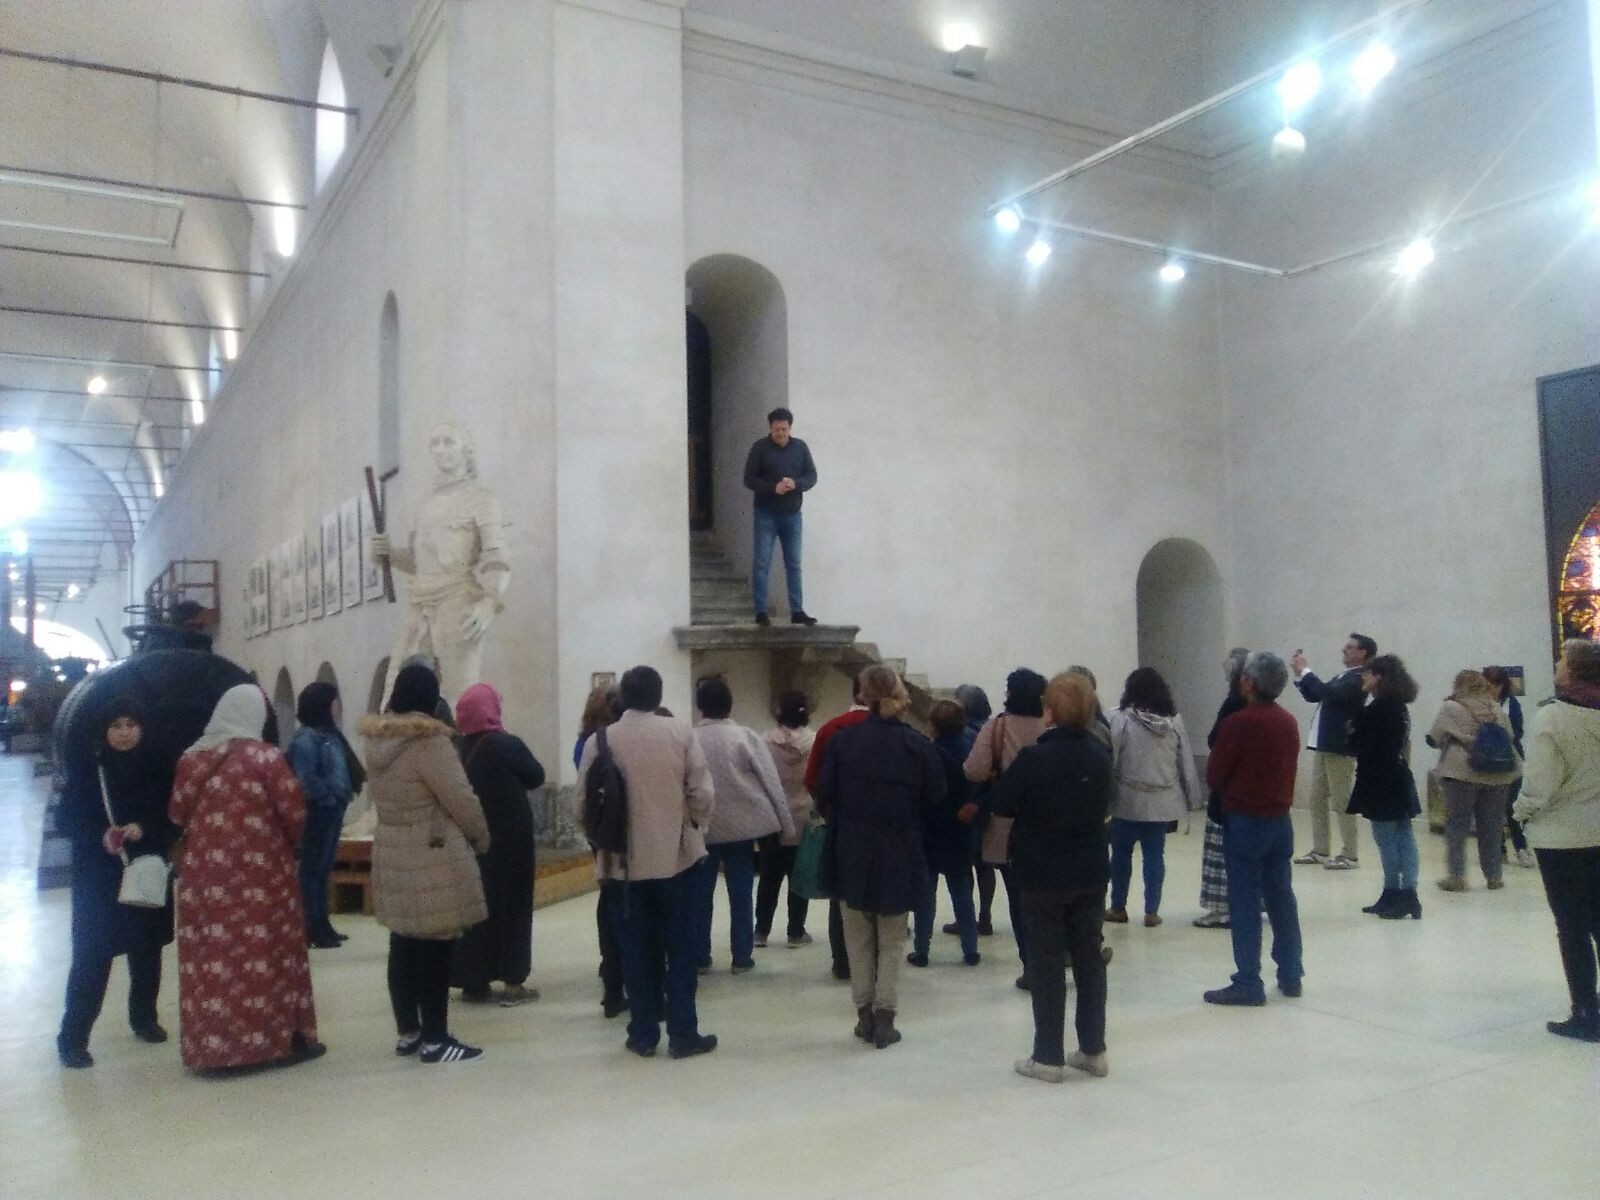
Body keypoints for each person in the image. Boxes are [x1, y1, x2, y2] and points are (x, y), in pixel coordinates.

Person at [169, 685, 323, 1072]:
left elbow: (176, 813)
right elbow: (294, 814)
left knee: (211, 960)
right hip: (263, 880)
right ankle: (270, 1043)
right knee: (267, 956)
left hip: (204, 879)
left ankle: (212, 1050)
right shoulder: (265, 758)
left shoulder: (191, 758)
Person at [579, 665, 719, 1059]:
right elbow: (702, 793)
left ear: (623, 697)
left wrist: (601, 841)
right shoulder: (680, 733)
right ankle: (683, 1032)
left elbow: (581, 806)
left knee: (636, 950)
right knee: (682, 948)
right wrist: (694, 826)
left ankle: (642, 1033)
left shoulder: (600, 740)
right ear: (659, 697)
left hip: (623, 864)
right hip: (677, 859)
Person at [362, 663, 491, 1064]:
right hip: (432, 853)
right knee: (435, 947)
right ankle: (437, 1040)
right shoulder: (429, 743)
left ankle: (409, 1032)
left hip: (393, 850)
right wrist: (480, 836)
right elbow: (461, 798)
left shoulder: (379, 741)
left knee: (402, 943)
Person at [990, 673, 1113, 1082]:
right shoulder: (1099, 754)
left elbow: (1003, 805)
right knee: (1089, 959)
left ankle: (1048, 1056)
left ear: (1050, 712)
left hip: (1042, 873)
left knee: (1046, 964)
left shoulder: (1034, 758)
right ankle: (1093, 1049)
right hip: (1091, 870)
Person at [816, 666, 944, 1048]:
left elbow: (824, 793)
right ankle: (886, 1017)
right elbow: (936, 794)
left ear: (862, 694)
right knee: (891, 939)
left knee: (856, 938)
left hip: (851, 848)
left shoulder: (843, 741)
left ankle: (863, 1014)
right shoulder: (916, 743)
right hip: (899, 848)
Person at [56, 695, 174, 1069]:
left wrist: (146, 828)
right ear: (103, 731)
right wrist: (101, 835)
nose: (124, 734)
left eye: (131, 725)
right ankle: (73, 1037)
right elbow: (66, 821)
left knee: (146, 948)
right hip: (99, 877)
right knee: (92, 955)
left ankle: (144, 1017)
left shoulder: (157, 766)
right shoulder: (90, 771)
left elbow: (173, 818)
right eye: (115, 726)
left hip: (144, 869)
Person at [370, 422, 511, 705]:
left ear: (465, 449)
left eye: (449, 442)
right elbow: (418, 561)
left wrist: (489, 601)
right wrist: (389, 554)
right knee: (396, 693)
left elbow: (497, 558)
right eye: (435, 443)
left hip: (457, 603)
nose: (440, 449)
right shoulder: (424, 504)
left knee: (459, 697)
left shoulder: (481, 499)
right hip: (420, 603)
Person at [1202, 652, 1305, 1006]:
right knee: (1281, 897)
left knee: (1244, 902)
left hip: (1245, 820)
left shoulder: (1239, 723)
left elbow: (1214, 776)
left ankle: (1248, 980)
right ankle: (1291, 974)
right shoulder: (1289, 721)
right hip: (1280, 820)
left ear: (1248, 683)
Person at [1514, 639, 1600, 1042]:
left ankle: (1585, 1011)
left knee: (1571, 925)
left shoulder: (1553, 717)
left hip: (1563, 836)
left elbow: (1540, 782)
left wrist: (1520, 814)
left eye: (1563, 659)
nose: (1557, 664)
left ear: (1574, 670)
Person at [451, 683, 546, 1006]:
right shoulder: (506, 744)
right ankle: (513, 981)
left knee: (476, 907)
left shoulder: (459, 748)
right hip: (511, 842)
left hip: (472, 840)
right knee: (514, 906)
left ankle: (473, 980)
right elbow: (536, 775)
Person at [691, 676, 794, 973]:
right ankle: (741, 957)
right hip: (742, 828)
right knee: (741, 892)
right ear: (729, 703)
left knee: (701, 894)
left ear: (700, 707)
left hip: (703, 826)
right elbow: (771, 782)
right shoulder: (745, 736)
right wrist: (784, 824)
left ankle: (700, 956)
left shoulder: (689, 738)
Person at [965, 668, 1050, 989]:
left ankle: (1031, 966)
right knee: (1053, 894)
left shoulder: (997, 726)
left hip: (1007, 822)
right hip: (1050, 819)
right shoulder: (1050, 724)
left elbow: (973, 770)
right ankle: (1059, 956)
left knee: (1018, 897)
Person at [1106, 667, 1201, 928]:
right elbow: (1186, 762)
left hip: (1126, 801)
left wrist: (1104, 795)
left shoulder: (1119, 719)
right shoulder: (1174, 722)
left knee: (1121, 856)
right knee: (1155, 856)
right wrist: (1193, 798)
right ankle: (1152, 911)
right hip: (1162, 802)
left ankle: (1118, 907)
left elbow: (1111, 759)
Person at [1427, 670, 1521, 892]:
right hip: (1498, 774)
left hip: (1461, 773)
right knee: (1492, 827)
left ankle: (1457, 877)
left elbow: (1434, 737)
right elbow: (1510, 736)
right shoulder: (1496, 708)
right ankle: (1494, 876)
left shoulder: (1451, 707)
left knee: (1457, 826)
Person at [1290, 634, 1376, 869]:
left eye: (1350, 647)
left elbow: (1328, 693)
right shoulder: (1345, 675)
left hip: (1340, 747)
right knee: (1316, 798)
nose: (1344, 650)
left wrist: (1306, 670)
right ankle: (1320, 850)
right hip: (1324, 745)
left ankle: (1350, 854)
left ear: (1363, 653)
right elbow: (1315, 694)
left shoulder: (1359, 677)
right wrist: (1300, 676)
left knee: (1342, 800)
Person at [287, 682, 362, 950]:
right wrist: (329, 796)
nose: (337, 707)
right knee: (312, 869)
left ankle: (322, 922)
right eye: (334, 702)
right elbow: (305, 778)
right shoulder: (307, 738)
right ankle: (310, 924)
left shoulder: (329, 734)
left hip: (332, 810)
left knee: (323, 868)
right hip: (318, 811)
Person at [805, 673, 870, 981]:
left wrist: (828, 809)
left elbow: (813, 780)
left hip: (842, 822)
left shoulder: (832, 728)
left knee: (841, 893)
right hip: (889, 829)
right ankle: (875, 962)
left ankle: (843, 962)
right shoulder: (902, 732)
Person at [1348, 655, 1423, 919]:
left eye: (1367, 674)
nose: (1363, 678)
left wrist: (1355, 722)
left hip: (1381, 780)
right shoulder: (1397, 706)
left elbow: (1359, 742)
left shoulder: (1381, 708)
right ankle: (1403, 892)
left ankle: (1399, 892)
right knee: (1403, 835)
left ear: (1379, 676)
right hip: (1396, 775)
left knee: (1387, 839)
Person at [910, 699, 981, 967]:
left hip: (930, 830)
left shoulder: (928, 752)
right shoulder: (971, 750)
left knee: (925, 896)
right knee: (962, 893)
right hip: (961, 830)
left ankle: (922, 950)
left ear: (933, 725)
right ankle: (970, 948)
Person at [576, 685, 631, 1018]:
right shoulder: (614, 741)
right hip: (627, 833)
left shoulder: (587, 741)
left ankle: (611, 979)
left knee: (608, 899)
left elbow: (581, 799)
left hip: (603, 830)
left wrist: (593, 833)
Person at [743, 406, 819, 626]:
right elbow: (748, 479)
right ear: (770, 428)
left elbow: (812, 475)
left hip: (792, 514)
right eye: (777, 430)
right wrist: (771, 488)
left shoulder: (800, 448)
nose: (780, 434)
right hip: (766, 513)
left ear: (790, 428)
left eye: (784, 430)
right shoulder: (759, 448)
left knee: (794, 563)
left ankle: (797, 610)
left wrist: (796, 484)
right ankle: (760, 611)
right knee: (762, 562)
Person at [757, 690, 817, 949]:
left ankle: (761, 931)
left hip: (774, 816)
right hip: (804, 814)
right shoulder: (815, 741)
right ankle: (796, 931)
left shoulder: (765, 742)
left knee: (769, 877)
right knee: (799, 876)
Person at [1196, 649, 1249, 929]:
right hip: (1251, 796)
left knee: (1221, 852)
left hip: (1227, 795)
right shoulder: (1263, 708)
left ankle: (1223, 908)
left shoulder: (1233, 705)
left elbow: (1215, 739)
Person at [950, 684, 998, 937]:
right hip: (988, 802)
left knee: (965, 865)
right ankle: (985, 915)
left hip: (966, 803)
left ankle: (966, 918)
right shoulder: (992, 728)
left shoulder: (964, 733)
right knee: (984, 864)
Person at [1484, 666, 1535, 868]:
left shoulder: (1512, 704)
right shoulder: (1480, 705)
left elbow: (1518, 731)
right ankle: (1499, 849)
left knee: (1513, 805)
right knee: (1492, 808)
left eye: (1496, 685)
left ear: (1503, 686)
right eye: (1488, 685)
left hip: (1511, 759)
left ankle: (1521, 847)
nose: (1492, 690)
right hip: (1488, 761)